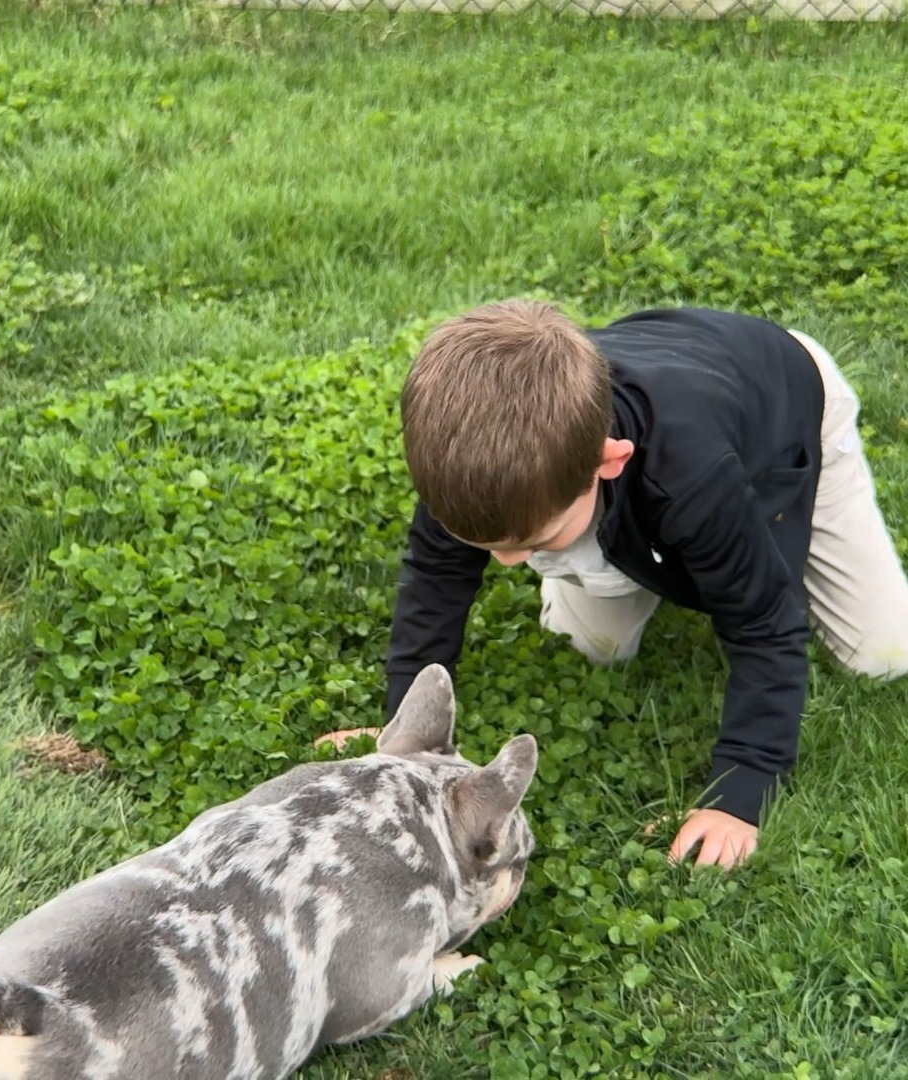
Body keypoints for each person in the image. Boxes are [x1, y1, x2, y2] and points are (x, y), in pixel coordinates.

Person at [381, 300, 908, 869]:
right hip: (647, 457)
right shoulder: (473, 463)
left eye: (532, 541)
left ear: (607, 461)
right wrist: (404, 725)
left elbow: (764, 623)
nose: (507, 562)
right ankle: (627, 546)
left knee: (884, 653)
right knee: (595, 647)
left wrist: (740, 793)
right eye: (489, 544)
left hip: (785, 409)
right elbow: (436, 576)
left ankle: (732, 536)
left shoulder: (693, 475)